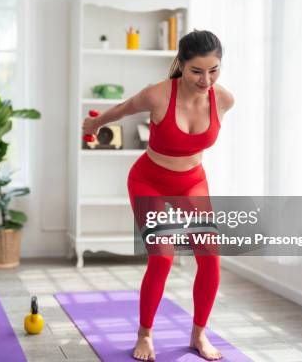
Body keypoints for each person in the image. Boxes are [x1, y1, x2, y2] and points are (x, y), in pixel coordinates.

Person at [82, 30, 234, 361]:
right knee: (163, 256)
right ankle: (145, 335)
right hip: (149, 180)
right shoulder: (158, 94)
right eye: (196, 70)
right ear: (180, 64)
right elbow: (123, 109)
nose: (206, 79)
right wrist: (93, 126)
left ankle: (198, 335)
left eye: (214, 70)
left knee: (210, 257)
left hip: (192, 182)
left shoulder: (224, 99)